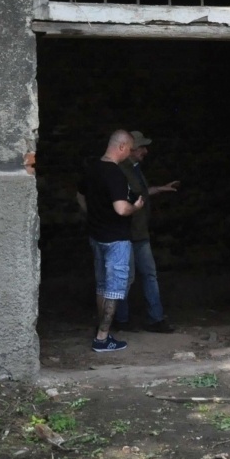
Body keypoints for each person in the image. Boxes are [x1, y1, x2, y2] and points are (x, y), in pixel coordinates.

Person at [82, 130, 143, 353]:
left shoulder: (92, 168)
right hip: (116, 238)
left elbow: (79, 195)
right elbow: (121, 208)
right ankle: (102, 338)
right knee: (115, 288)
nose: (130, 153)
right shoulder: (115, 173)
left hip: (96, 235)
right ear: (121, 147)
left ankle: (102, 331)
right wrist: (135, 207)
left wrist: (94, 215)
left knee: (102, 286)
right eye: (129, 148)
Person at [115, 130, 180, 333]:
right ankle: (123, 319)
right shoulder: (120, 171)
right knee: (128, 277)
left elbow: (140, 194)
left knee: (146, 274)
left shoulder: (133, 168)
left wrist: (159, 189)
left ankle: (153, 318)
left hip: (138, 233)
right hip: (128, 234)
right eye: (142, 147)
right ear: (131, 149)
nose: (146, 151)